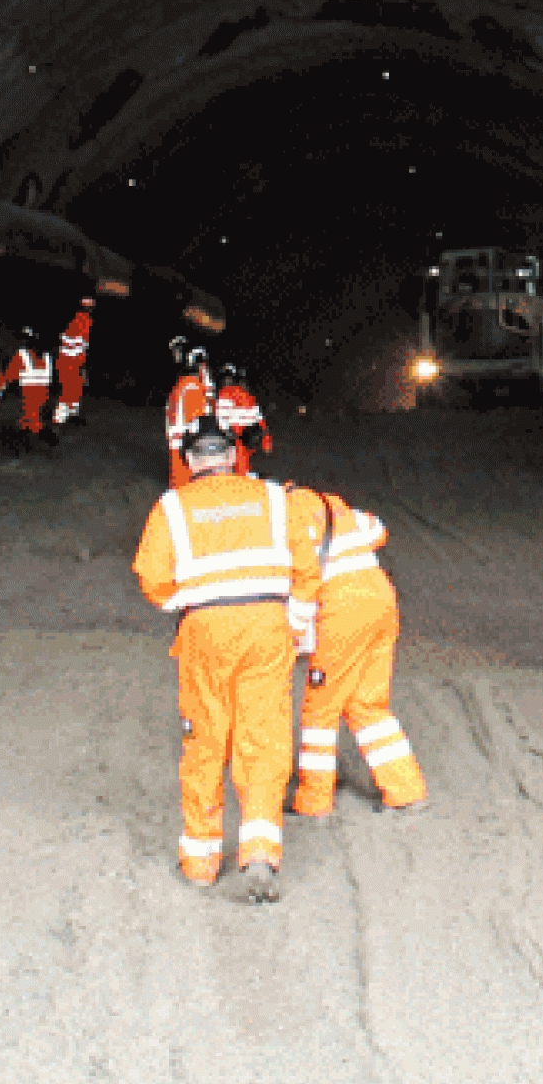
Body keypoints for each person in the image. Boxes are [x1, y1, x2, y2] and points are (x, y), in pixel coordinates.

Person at [130, 423, 317, 902]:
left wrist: (187, 601)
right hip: (266, 624)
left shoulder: (172, 506)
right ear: (235, 457)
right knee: (264, 737)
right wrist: (296, 621)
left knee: (206, 740)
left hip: (205, 629)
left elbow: (152, 578)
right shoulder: (276, 498)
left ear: (191, 462)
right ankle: (258, 852)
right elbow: (306, 567)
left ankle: (201, 862)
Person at [284, 485, 427, 818]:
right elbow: (378, 530)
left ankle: (313, 801)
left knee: (320, 709)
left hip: (341, 608)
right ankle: (406, 791)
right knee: (368, 704)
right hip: (379, 597)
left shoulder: (279, 517)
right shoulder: (333, 505)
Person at [164, 339, 216, 490]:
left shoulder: (185, 386)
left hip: (182, 438)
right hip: (185, 437)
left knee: (181, 476)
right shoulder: (188, 386)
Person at [1, 327, 54, 449]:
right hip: (44, 395)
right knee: (31, 419)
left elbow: (9, 376)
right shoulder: (46, 356)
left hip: (30, 395)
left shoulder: (22, 356)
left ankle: (29, 443)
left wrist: (0, 389)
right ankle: (40, 439)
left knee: (29, 420)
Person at [215, 362, 272, 474]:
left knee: (239, 468)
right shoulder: (243, 393)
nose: (227, 380)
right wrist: (266, 441)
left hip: (238, 438)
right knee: (243, 466)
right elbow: (259, 418)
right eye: (225, 377)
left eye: (228, 377)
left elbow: (258, 417)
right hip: (245, 437)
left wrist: (266, 440)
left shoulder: (227, 394)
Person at [54, 296, 95, 425]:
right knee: (70, 390)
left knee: (74, 389)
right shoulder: (84, 321)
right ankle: (60, 418)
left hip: (68, 360)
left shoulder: (74, 321)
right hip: (71, 361)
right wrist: (81, 365)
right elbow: (81, 345)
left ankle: (71, 415)